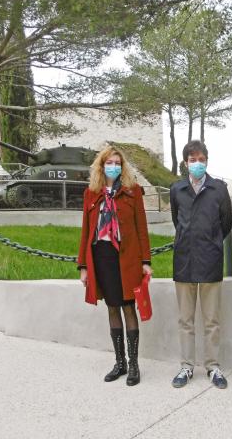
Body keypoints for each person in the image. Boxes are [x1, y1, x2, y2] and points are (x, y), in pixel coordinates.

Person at [77, 146, 152, 386]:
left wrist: (146, 261)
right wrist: (83, 266)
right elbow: (86, 231)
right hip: (102, 256)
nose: (114, 167)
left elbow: (142, 228)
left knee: (129, 307)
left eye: (118, 163)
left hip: (127, 257)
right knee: (112, 307)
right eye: (109, 162)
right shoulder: (91, 194)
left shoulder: (133, 191)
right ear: (101, 166)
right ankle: (119, 363)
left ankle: (134, 365)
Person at [169, 140, 232, 389]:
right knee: (185, 320)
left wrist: (212, 242)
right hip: (184, 260)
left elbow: (226, 221)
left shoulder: (219, 189)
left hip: (210, 260)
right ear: (186, 163)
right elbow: (177, 220)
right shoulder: (177, 189)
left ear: (207, 160)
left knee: (211, 320)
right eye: (192, 159)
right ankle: (186, 366)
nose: (197, 163)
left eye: (201, 159)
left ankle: (213, 366)